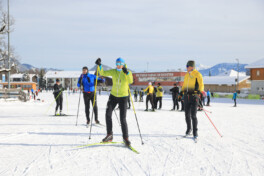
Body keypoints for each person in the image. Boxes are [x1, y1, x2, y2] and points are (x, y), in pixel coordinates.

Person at [95, 57, 133, 146]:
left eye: (120, 64)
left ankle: (125, 137)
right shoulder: (113, 71)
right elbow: (103, 73)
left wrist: (126, 72)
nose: (118, 65)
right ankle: (109, 135)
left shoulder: (127, 72)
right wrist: (100, 65)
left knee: (122, 118)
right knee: (108, 114)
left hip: (123, 96)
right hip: (113, 96)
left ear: (123, 64)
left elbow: (130, 80)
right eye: (117, 63)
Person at [181, 60, 204, 141]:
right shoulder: (186, 75)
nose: (186, 68)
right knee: (186, 115)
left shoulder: (197, 74)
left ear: (191, 66)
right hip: (187, 96)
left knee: (193, 115)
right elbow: (184, 85)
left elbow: (201, 84)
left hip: (194, 97)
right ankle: (189, 129)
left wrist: (199, 92)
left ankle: (195, 132)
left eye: (187, 66)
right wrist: (182, 94)